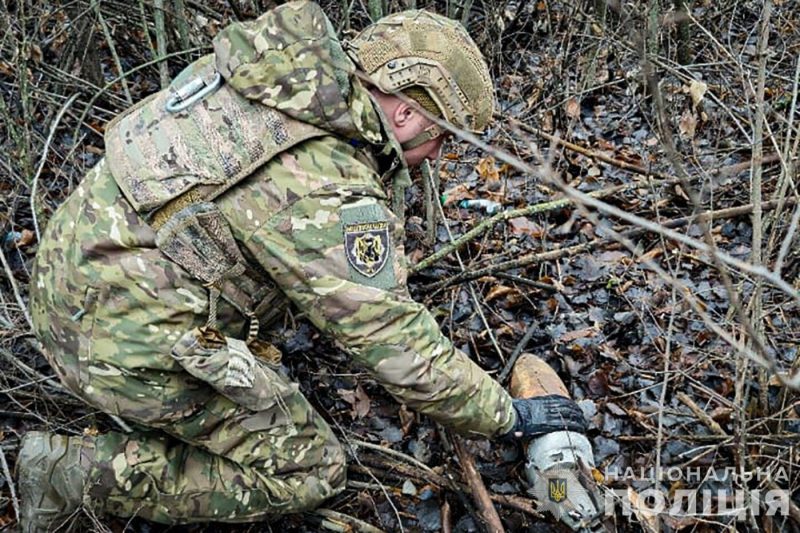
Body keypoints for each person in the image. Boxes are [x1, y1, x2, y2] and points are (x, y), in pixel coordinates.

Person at [20, 1, 587, 530]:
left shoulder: (278, 77)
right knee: (310, 470)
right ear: (408, 113)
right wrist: (510, 418)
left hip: (72, 283)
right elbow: (391, 341)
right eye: (441, 139)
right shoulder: (322, 182)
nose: (437, 157)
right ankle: (72, 472)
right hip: (116, 345)